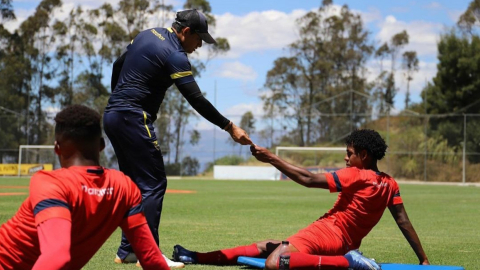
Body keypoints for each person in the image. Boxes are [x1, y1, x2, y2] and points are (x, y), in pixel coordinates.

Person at [103, 8, 253, 268]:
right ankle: (149, 256)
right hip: (133, 117)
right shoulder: (175, 54)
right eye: (199, 39)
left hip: (113, 115)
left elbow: (118, 64)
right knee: (154, 184)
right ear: (186, 32)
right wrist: (230, 127)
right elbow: (195, 99)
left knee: (135, 186)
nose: (199, 46)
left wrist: (118, 97)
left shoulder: (147, 34)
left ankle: (129, 250)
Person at [173, 129, 430, 270]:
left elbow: (307, 179)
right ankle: (196, 257)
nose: (346, 158)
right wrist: (423, 260)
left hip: (328, 234)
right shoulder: (390, 183)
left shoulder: (357, 174)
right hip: (341, 241)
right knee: (267, 246)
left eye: (349, 153)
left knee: (276, 262)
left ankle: (348, 262)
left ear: (363, 155)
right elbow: (403, 222)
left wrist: (271, 158)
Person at [0, 104, 170, 270]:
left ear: (57, 149)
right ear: (102, 145)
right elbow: (152, 259)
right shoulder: (125, 187)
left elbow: (56, 256)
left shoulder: (51, 183)